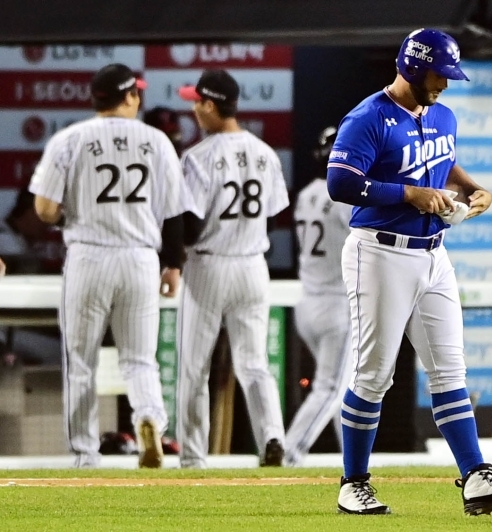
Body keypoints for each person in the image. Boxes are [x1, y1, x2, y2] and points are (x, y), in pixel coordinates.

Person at [326, 28, 492, 515]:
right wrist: (409, 193)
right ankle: (353, 482)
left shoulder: (442, 115)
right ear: (413, 66)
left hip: (433, 252)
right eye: (440, 73)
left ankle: (475, 475)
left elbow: (443, 162)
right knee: (373, 375)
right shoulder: (367, 117)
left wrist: (475, 188)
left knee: (450, 368)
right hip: (380, 252)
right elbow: (341, 183)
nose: (447, 84)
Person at [29, 63, 194, 468]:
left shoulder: (70, 139)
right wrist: (172, 264)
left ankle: (86, 453)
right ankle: (150, 420)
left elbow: (44, 209)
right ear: (131, 96)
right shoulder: (157, 141)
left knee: (80, 361)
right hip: (139, 259)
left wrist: (72, 214)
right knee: (140, 359)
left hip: (89, 255)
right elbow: (174, 214)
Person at [176, 69, 289, 468]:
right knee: (254, 362)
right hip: (253, 267)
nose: (193, 109)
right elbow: (273, 220)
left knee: (193, 365)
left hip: (209, 266)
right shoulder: (265, 152)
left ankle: (192, 456)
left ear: (210, 104)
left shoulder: (197, 156)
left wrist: (174, 257)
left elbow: (188, 225)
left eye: (196, 102)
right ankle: (273, 437)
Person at [283, 126, 354, 466]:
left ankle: (355, 461)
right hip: (336, 307)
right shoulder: (347, 198)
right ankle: (289, 452)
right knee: (329, 388)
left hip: (307, 304)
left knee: (342, 389)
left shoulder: (307, 194)